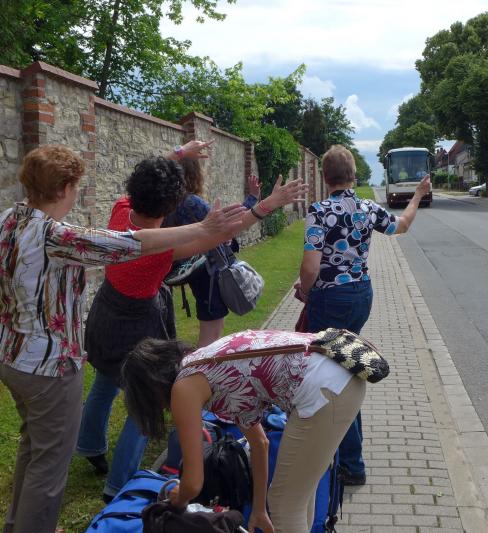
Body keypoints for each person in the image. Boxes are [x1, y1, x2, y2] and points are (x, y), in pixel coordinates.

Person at [0, 144, 246, 533]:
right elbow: (129, 243)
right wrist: (203, 228)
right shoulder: (55, 235)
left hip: (13, 357)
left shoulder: (10, 218)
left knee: (35, 448)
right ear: (63, 188)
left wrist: (178, 155)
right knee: (49, 466)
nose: (76, 194)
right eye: (75, 187)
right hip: (49, 368)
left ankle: (20, 523)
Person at [76, 144, 307, 502]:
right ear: (170, 207)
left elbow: (147, 179)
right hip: (137, 328)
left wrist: (178, 153)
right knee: (147, 400)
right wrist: (267, 204)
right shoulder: (161, 248)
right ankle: (117, 486)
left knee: (105, 380)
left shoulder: (121, 209)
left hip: (105, 314)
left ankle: (89, 443)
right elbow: (224, 234)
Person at [120, 328, 366, 533]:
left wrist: (178, 496)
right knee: (297, 498)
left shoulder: (184, 388)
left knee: (284, 503)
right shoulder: (211, 367)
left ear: (150, 389)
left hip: (325, 391)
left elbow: (193, 483)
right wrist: (258, 510)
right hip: (341, 378)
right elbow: (260, 444)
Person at [295, 144, 430, 485]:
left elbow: (310, 267)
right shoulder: (368, 209)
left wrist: (305, 290)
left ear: (325, 177)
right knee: (347, 367)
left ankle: (350, 464)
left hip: (329, 300)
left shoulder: (319, 211)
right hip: (361, 296)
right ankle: (345, 457)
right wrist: (417, 195)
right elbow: (402, 225)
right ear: (353, 175)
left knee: (333, 374)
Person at [163, 159, 262, 347]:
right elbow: (230, 224)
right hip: (208, 274)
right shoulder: (192, 202)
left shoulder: (168, 204)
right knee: (211, 335)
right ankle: (201, 365)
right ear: (194, 175)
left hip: (194, 271)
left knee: (213, 328)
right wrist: (252, 198)